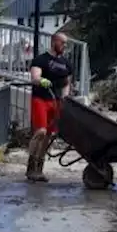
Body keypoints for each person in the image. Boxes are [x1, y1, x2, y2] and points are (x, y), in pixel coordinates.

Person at [27, 32, 72, 183]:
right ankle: (31, 165)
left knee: (49, 135)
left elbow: (67, 83)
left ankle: (39, 168)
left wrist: (65, 98)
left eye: (66, 43)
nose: (64, 46)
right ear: (54, 42)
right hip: (41, 99)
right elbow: (34, 77)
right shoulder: (41, 59)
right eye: (62, 43)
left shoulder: (66, 63)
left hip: (56, 101)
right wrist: (41, 80)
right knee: (40, 131)